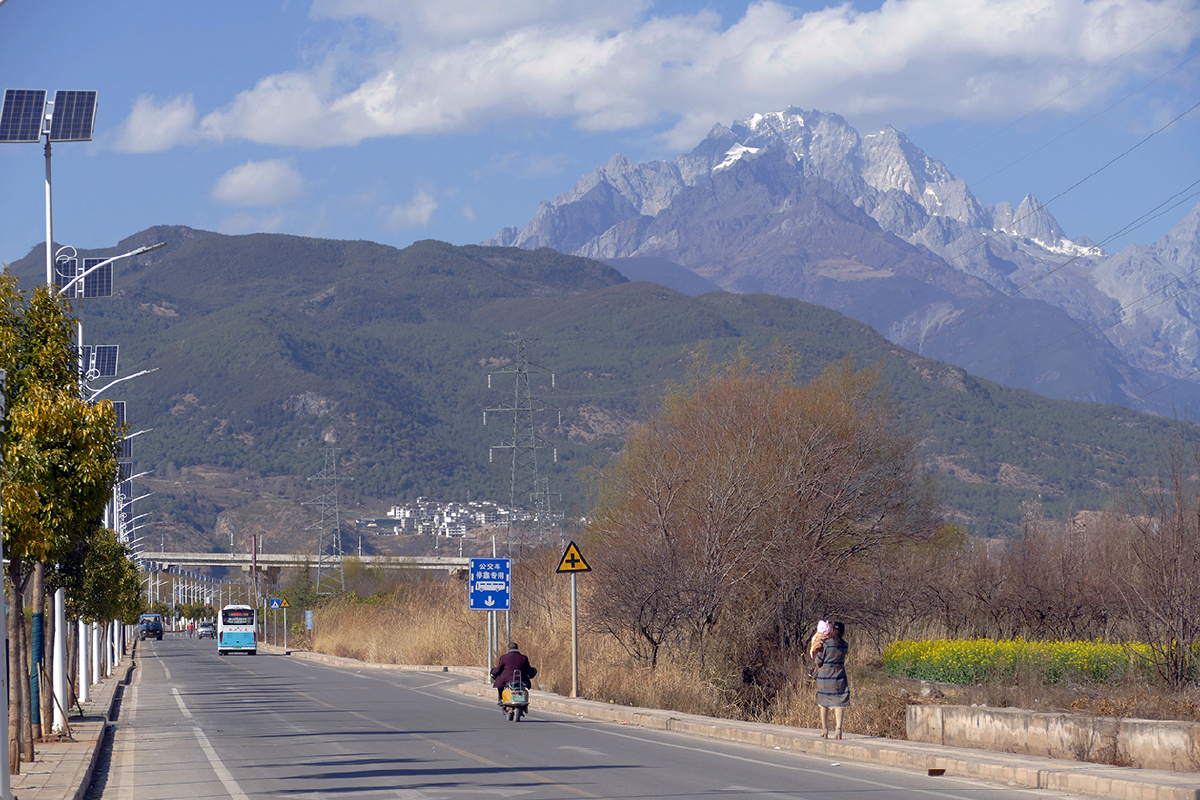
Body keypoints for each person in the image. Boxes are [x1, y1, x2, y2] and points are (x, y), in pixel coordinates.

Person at [814, 621, 849, 739]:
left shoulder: (826, 644)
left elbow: (819, 660)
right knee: (839, 703)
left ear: (832, 631)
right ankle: (838, 730)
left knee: (823, 703)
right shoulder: (845, 645)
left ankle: (825, 730)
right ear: (843, 633)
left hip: (824, 676)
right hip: (839, 676)